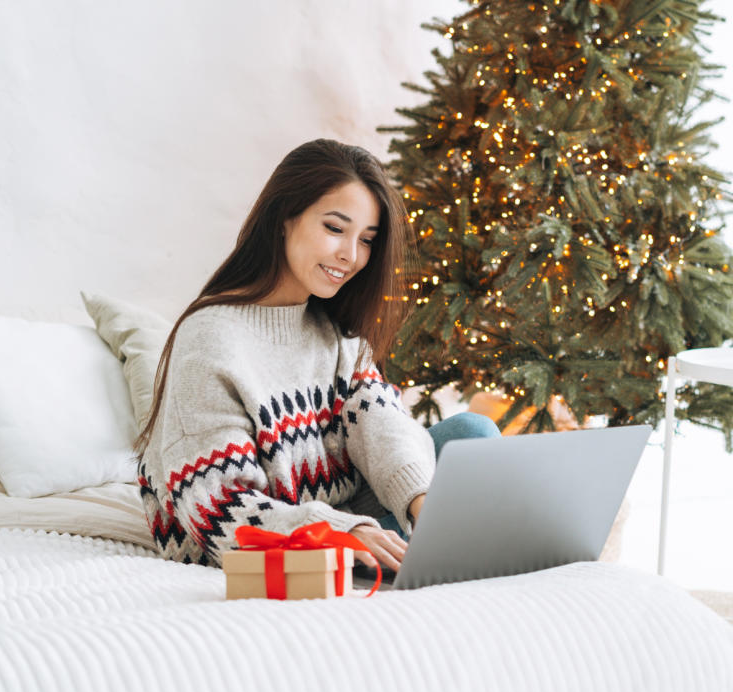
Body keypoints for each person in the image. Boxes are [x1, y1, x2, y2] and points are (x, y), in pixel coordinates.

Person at [132, 139, 499, 575]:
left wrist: (424, 503)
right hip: (269, 541)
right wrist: (342, 531)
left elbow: (384, 430)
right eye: (334, 228)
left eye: (366, 239)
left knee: (471, 431)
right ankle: (462, 550)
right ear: (285, 218)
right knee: (472, 509)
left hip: (351, 524)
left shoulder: (336, 331)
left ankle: (468, 545)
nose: (351, 255)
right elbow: (221, 512)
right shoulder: (211, 337)